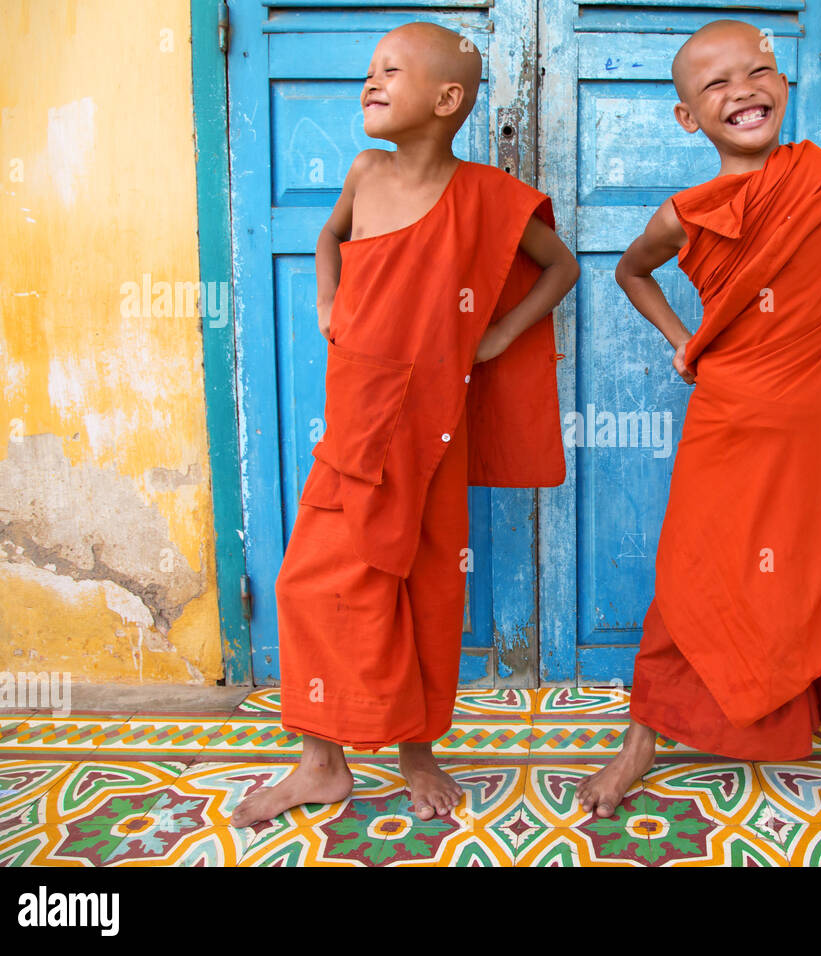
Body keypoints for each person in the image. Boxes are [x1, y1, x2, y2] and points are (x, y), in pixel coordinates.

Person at [576, 19, 821, 852]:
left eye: (756, 72)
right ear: (687, 118)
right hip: (735, 419)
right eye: (715, 85)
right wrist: (686, 342)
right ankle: (640, 742)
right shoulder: (687, 213)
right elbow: (630, 271)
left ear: (783, 84)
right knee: (691, 577)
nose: (741, 91)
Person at [232, 22, 579, 827]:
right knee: (309, 586)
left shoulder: (487, 196)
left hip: (431, 428)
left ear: (448, 99)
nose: (370, 81)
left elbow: (559, 266)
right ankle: (321, 763)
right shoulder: (365, 171)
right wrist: (328, 298)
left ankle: (417, 752)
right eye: (370, 70)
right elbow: (330, 236)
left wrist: (497, 334)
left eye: (392, 70)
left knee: (425, 591)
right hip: (356, 423)